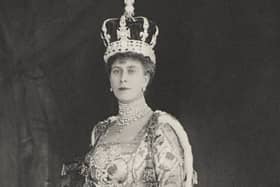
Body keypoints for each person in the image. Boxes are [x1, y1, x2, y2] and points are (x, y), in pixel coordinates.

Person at [81, 0, 198, 186]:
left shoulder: (160, 130)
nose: (123, 78)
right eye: (116, 71)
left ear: (145, 79)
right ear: (110, 79)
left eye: (131, 70)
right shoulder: (100, 131)